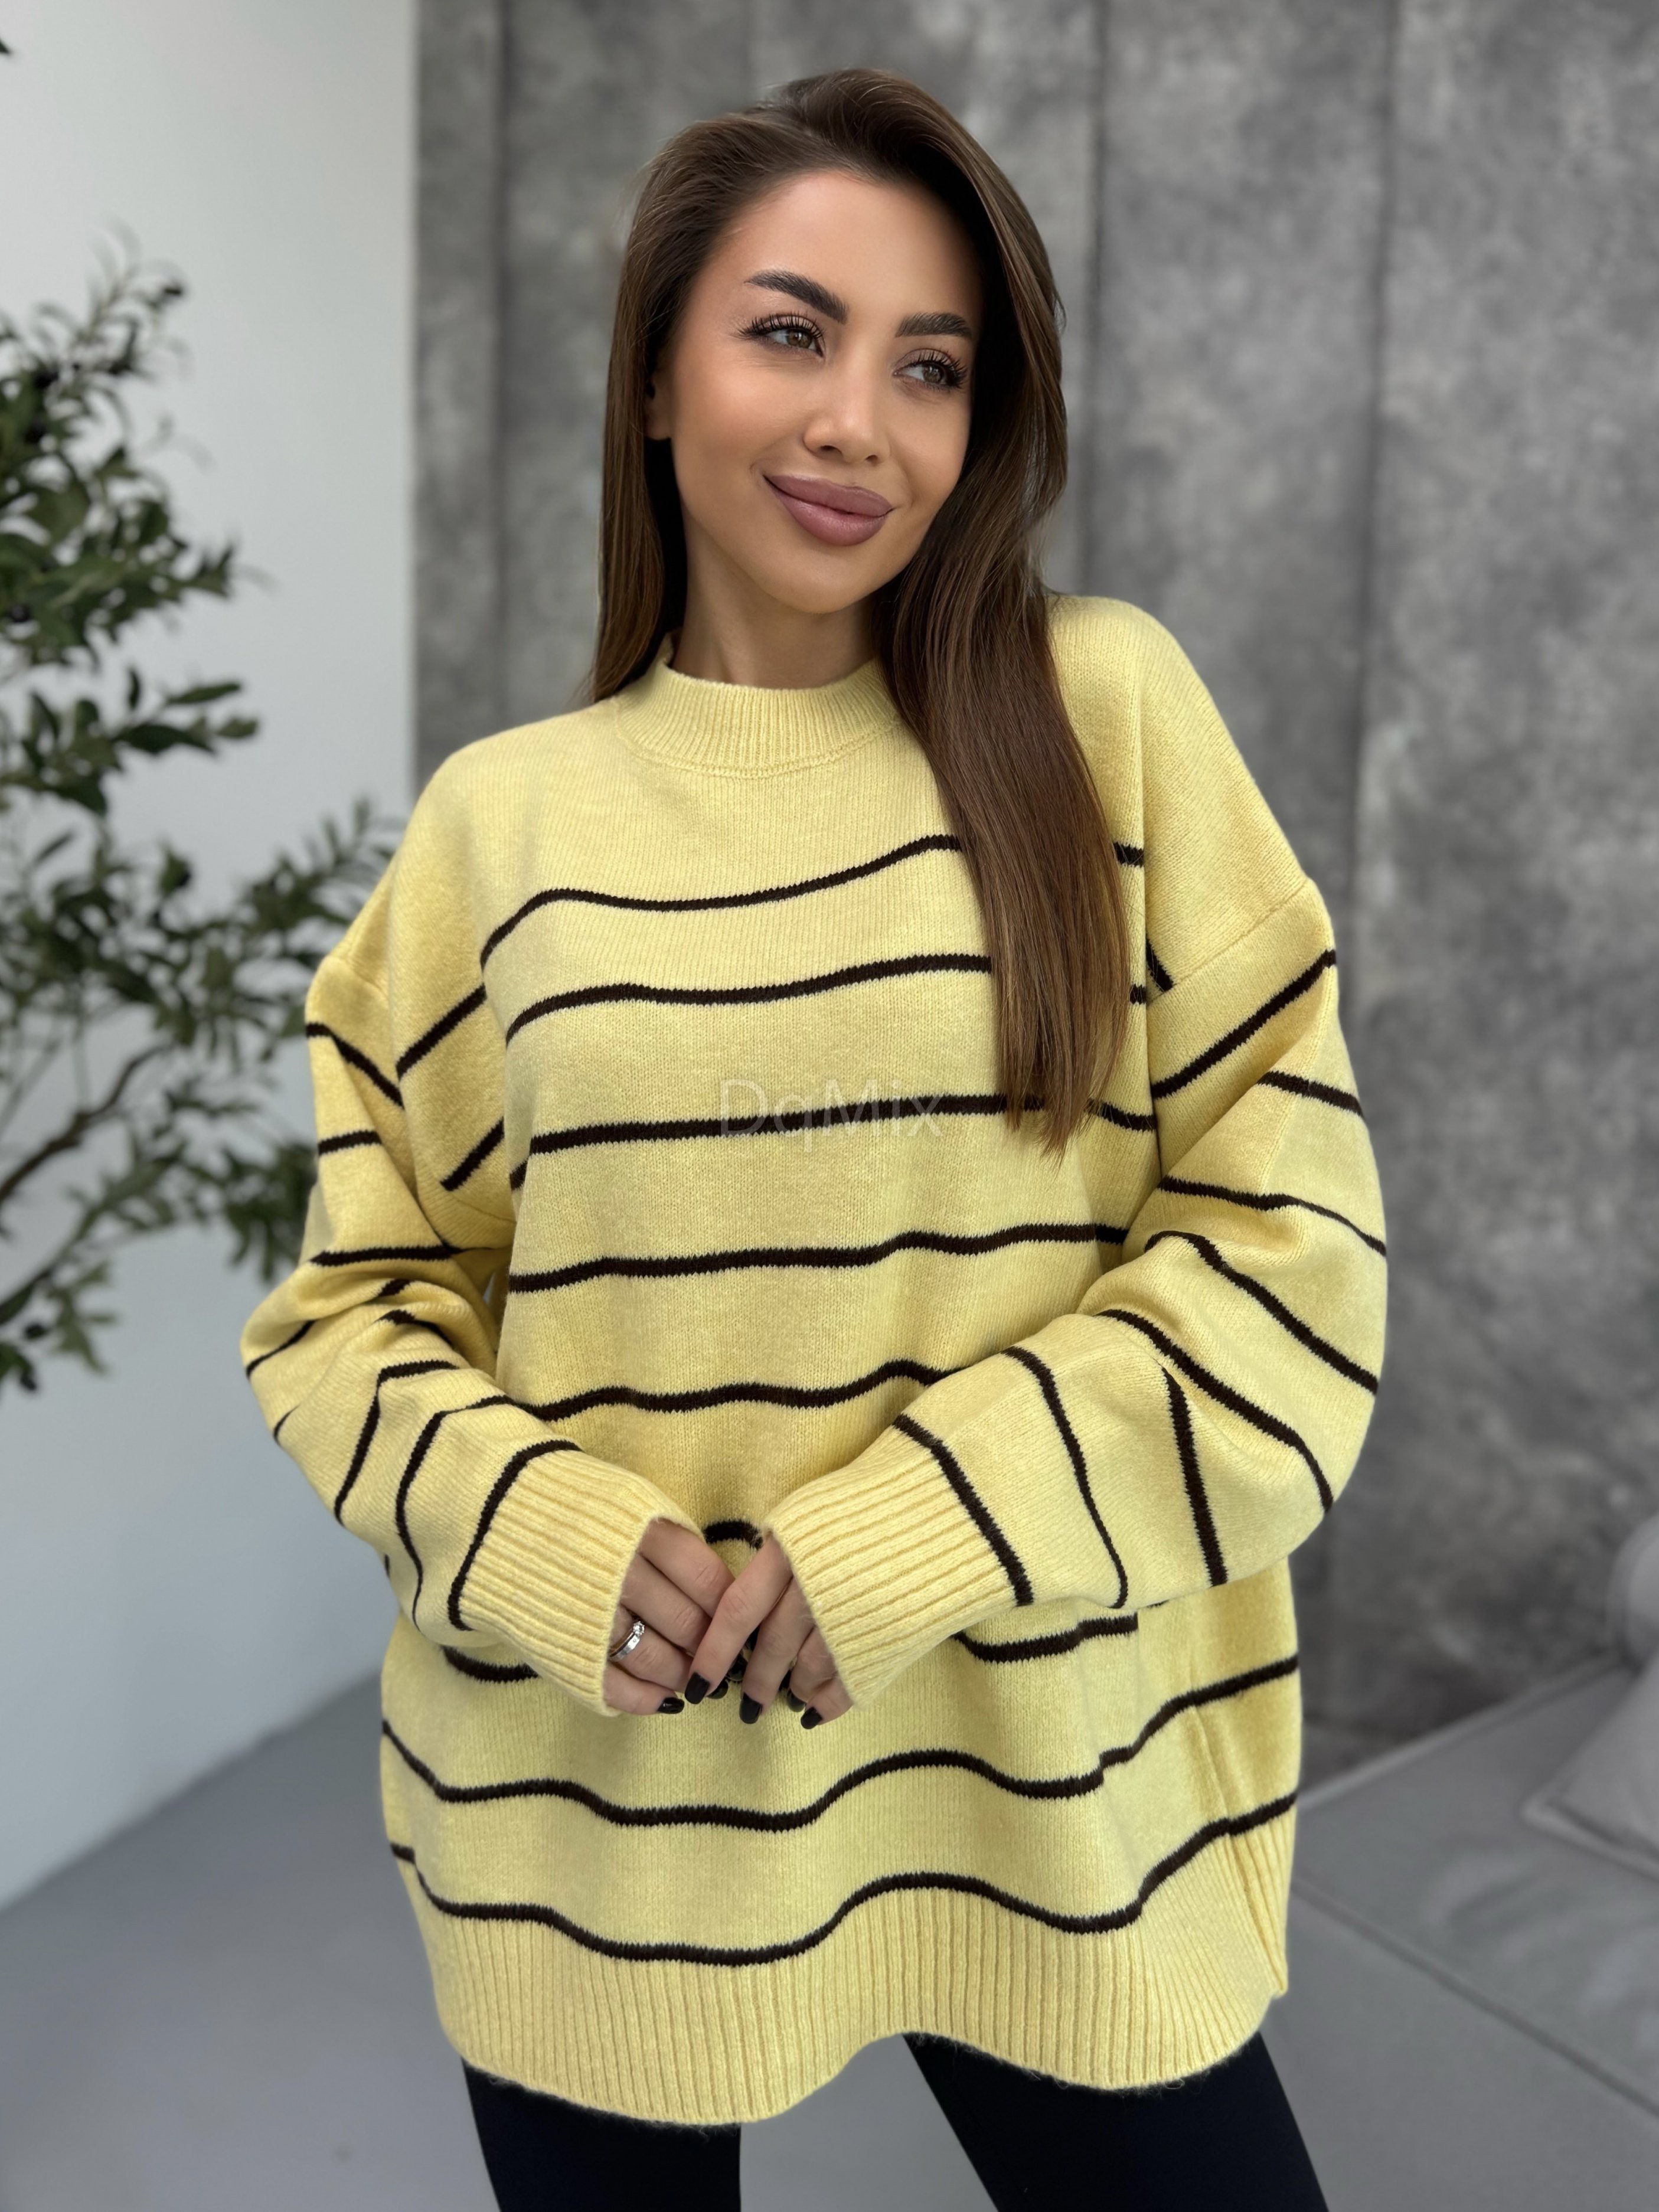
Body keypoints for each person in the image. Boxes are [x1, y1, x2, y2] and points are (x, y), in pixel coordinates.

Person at [240, 64, 1384, 2211]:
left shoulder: (1100, 715)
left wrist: (913, 1534)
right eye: (791, 332)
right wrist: (538, 1532)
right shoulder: (500, 824)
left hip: (1053, 1805)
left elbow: (1294, 1270)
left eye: (929, 366)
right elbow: (354, 1310)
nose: (862, 421)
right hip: (588, 1842)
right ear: (652, 380)